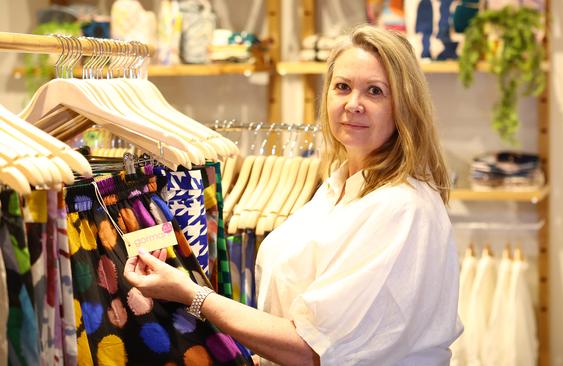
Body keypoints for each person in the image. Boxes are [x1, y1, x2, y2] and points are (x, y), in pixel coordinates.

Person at [124, 24, 462, 365]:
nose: (353, 104)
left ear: (404, 105)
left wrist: (190, 294)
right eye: (342, 87)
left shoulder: (400, 207)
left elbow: (313, 349)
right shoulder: (337, 187)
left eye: (375, 91)